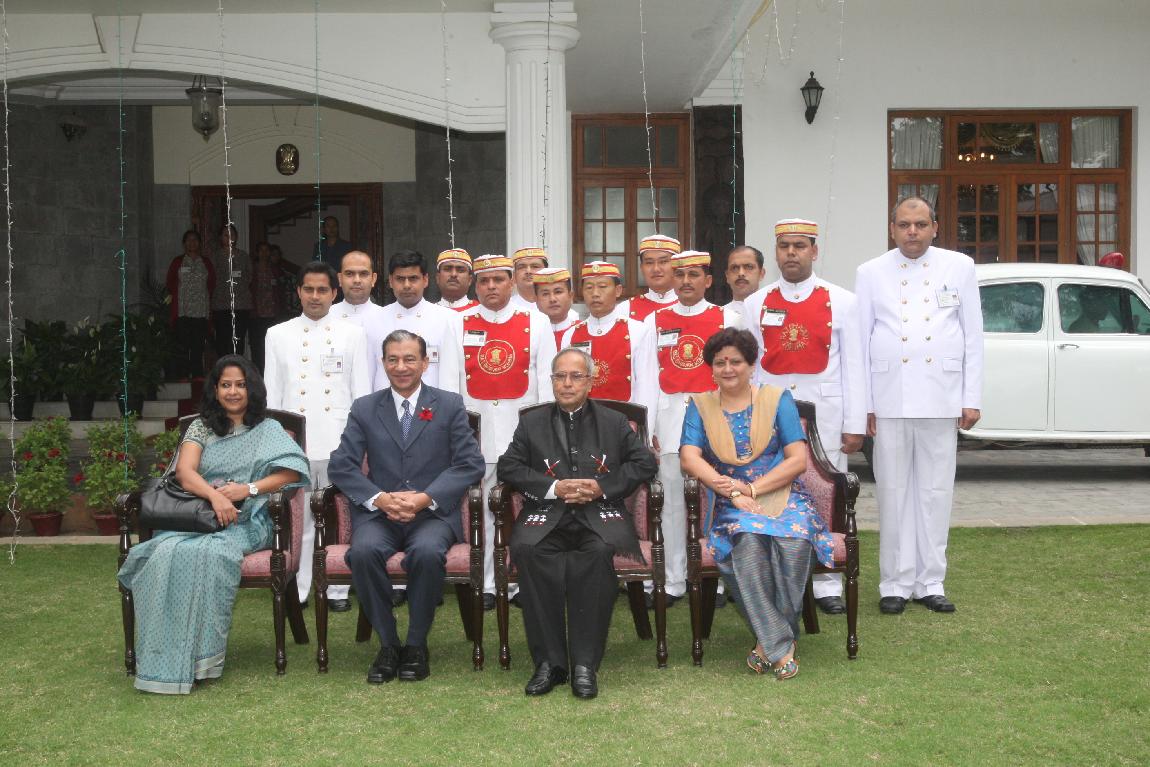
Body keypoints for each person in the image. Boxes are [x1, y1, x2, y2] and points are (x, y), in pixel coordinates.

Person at [117, 355, 309, 694]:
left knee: (211, 554)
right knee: (164, 554)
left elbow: (292, 473)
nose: (233, 392)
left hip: (248, 520)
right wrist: (216, 497)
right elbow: (184, 472)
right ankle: (164, 658)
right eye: (225, 385)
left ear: (252, 388)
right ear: (215, 390)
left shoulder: (268, 429)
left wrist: (247, 489)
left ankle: (201, 658)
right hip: (199, 518)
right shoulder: (201, 427)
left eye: (240, 385)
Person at [498, 348, 657, 699]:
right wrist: (553, 488)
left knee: (598, 553)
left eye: (575, 376)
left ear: (589, 382)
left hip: (597, 516)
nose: (567, 384)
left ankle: (585, 664)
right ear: (552, 381)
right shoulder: (532, 422)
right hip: (547, 515)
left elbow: (645, 464)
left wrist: (602, 487)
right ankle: (550, 663)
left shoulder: (614, 422)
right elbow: (508, 467)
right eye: (560, 376)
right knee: (527, 550)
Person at [328, 330, 485, 684]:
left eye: (410, 359)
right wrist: (380, 498)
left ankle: (415, 645)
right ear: (383, 363)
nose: (401, 367)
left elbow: (470, 464)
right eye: (393, 359)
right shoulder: (365, 408)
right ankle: (388, 644)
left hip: (431, 514)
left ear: (425, 363)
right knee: (363, 552)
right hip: (379, 514)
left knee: (427, 553)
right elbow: (341, 466)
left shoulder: (449, 405)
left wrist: (424, 497)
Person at [679, 329, 834, 681]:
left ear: (751, 365)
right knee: (747, 542)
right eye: (720, 362)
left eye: (736, 361)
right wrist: (734, 493)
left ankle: (768, 644)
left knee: (795, 542)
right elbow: (689, 458)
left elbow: (797, 459)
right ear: (711, 368)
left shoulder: (777, 399)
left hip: (783, 493)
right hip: (731, 500)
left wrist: (752, 488)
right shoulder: (700, 405)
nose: (728, 369)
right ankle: (781, 644)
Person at [856, 196, 984, 615]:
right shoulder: (871, 272)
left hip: (940, 393)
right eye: (904, 224)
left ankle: (931, 581)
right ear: (892, 228)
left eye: (921, 224)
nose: (912, 232)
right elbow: (861, 341)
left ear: (935, 227)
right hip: (889, 394)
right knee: (892, 492)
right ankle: (894, 582)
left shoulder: (959, 266)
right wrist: (865, 404)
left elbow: (973, 335)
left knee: (935, 492)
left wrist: (971, 396)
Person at [741, 220, 865, 615]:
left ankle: (827, 582)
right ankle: (775, 574)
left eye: (799, 245)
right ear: (776, 253)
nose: (791, 253)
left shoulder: (843, 300)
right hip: (772, 415)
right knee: (773, 492)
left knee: (826, 495)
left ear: (814, 251)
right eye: (784, 246)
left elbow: (855, 366)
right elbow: (750, 367)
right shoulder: (755, 303)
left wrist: (855, 424)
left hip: (826, 416)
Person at [264, 262, 372, 610]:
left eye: (322, 290)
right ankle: (300, 586)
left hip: (339, 437)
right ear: (298, 292)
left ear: (334, 293)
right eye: (308, 289)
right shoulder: (277, 334)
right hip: (295, 442)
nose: (315, 296)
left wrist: (360, 442)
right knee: (301, 519)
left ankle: (338, 588)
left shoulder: (352, 334)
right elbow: (272, 396)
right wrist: (276, 444)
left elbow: (361, 394)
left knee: (339, 515)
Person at [644, 250, 743, 606]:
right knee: (671, 503)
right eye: (680, 274)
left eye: (694, 274)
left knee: (719, 500)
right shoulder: (654, 320)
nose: (686, 281)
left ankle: (714, 578)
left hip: (717, 421)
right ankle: (674, 578)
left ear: (709, 280)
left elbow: (742, 375)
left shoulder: (728, 318)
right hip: (669, 423)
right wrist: (648, 427)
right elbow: (647, 377)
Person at [460, 255, 557, 607]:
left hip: (525, 435)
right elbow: (451, 385)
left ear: (512, 283)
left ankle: (526, 581)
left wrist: (545, 435)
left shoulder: (537, 321)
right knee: (485, 512)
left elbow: (547, 382)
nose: (491, 287)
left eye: (498, 280)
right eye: (484, 281)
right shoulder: (459, 323)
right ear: (475, 285)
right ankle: (488, 582)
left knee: (533, 510)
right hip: (480, 435)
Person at [560, 261, 658, 438]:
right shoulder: (571, 334)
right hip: (582, 426)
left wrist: (644, 434)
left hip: (625, 426)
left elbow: (646, 386)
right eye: (589, 287)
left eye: (603, 287)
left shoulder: (638, 331)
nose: (595, 293)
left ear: (618, 290)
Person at [365, 250, 464, 393]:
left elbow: (452, 376)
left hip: (432, 404)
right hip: (384, 404)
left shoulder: (448, 319)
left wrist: (448, 406)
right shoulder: (372, 320)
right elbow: (367, 374)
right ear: (391, 281)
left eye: (413, 278)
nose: (406, 285)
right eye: (400, 279)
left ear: (425, 280)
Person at [165, 229, 216, 379]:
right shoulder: (178, 262)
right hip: (182, 312)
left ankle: (197, 380)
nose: (192, 242)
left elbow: (212, 283)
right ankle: (182, 379)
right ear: (184, 243)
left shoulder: (206, 262)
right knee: (182, 348)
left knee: (197, 349)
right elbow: (170, 282)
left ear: (199, 243)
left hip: (200, 313)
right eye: (188, 240)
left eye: (195, 240)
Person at [211, 223, 253, 358]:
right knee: (222, 339)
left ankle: (237, 366)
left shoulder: (244, 256)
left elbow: (250, 276)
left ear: (236, 237)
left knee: (238, 339)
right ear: (220, 237)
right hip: (221, 304)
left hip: (241, 304)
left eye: (232, 234)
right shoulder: (215, 257)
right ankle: (224, 367)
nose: (229, 237)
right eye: (226, 235)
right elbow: (211, 278)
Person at [623, 235, 681, 321]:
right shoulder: (625, 309)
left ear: (677, 266)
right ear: (641, 268)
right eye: (649, 263)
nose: (656, 269)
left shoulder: (694, 306)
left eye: (663, 262)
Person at [249, 241, 280, 372]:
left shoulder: (274, 269)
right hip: (256, 313)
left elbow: (279, 290)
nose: (264, 253)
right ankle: (258, 372)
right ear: (257, 253)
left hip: (272, 312)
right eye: (261, 250)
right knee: (257, 345)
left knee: (271, 344)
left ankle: (271, 372)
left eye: (266, 250)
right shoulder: (252, 269)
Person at [532, 267, 579, 348]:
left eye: (558, 292)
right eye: (545, 294)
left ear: (571, 296)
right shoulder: (529, 333)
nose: (552, 299)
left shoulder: (583, 331)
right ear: (536, 299)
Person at [724, 245, 766, 315]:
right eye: (735, 268)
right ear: (727, 276)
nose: (741, 273)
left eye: (749, 267)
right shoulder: (717, 317)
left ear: (761, 274)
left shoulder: (776, 314)